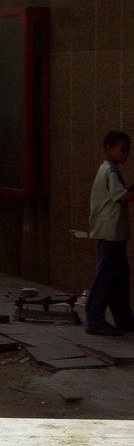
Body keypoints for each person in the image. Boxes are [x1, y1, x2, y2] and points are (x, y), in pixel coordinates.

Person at [85, 129, 134, 336]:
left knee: (119, 277)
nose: (126, 154)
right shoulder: (110, 170)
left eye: (128, 150)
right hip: (110, 232)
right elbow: (122, 197)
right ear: (108, 148)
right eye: (122, 149)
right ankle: (95, 318)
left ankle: (123, 318)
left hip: (114, 233)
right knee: (106, 276)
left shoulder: (110, 169)